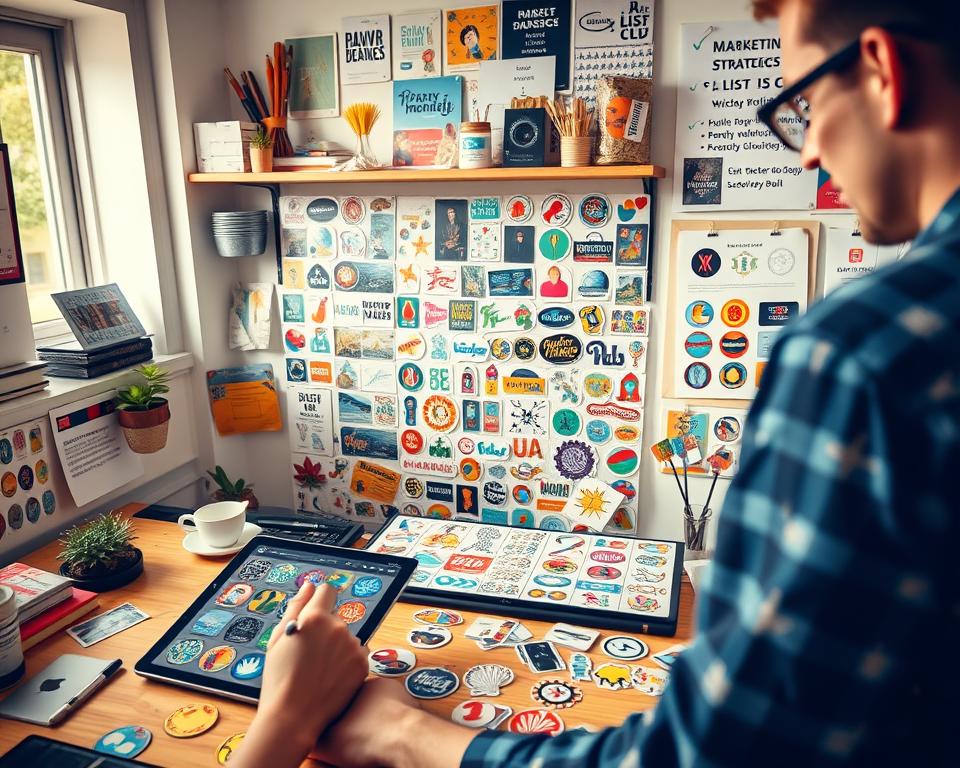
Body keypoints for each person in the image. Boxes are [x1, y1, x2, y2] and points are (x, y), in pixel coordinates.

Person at [238, 0, 959, 765]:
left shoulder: (865, 354)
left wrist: (407, 734)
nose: (809, 151)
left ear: (884, 71)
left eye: (806, 104)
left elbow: (710, 755)